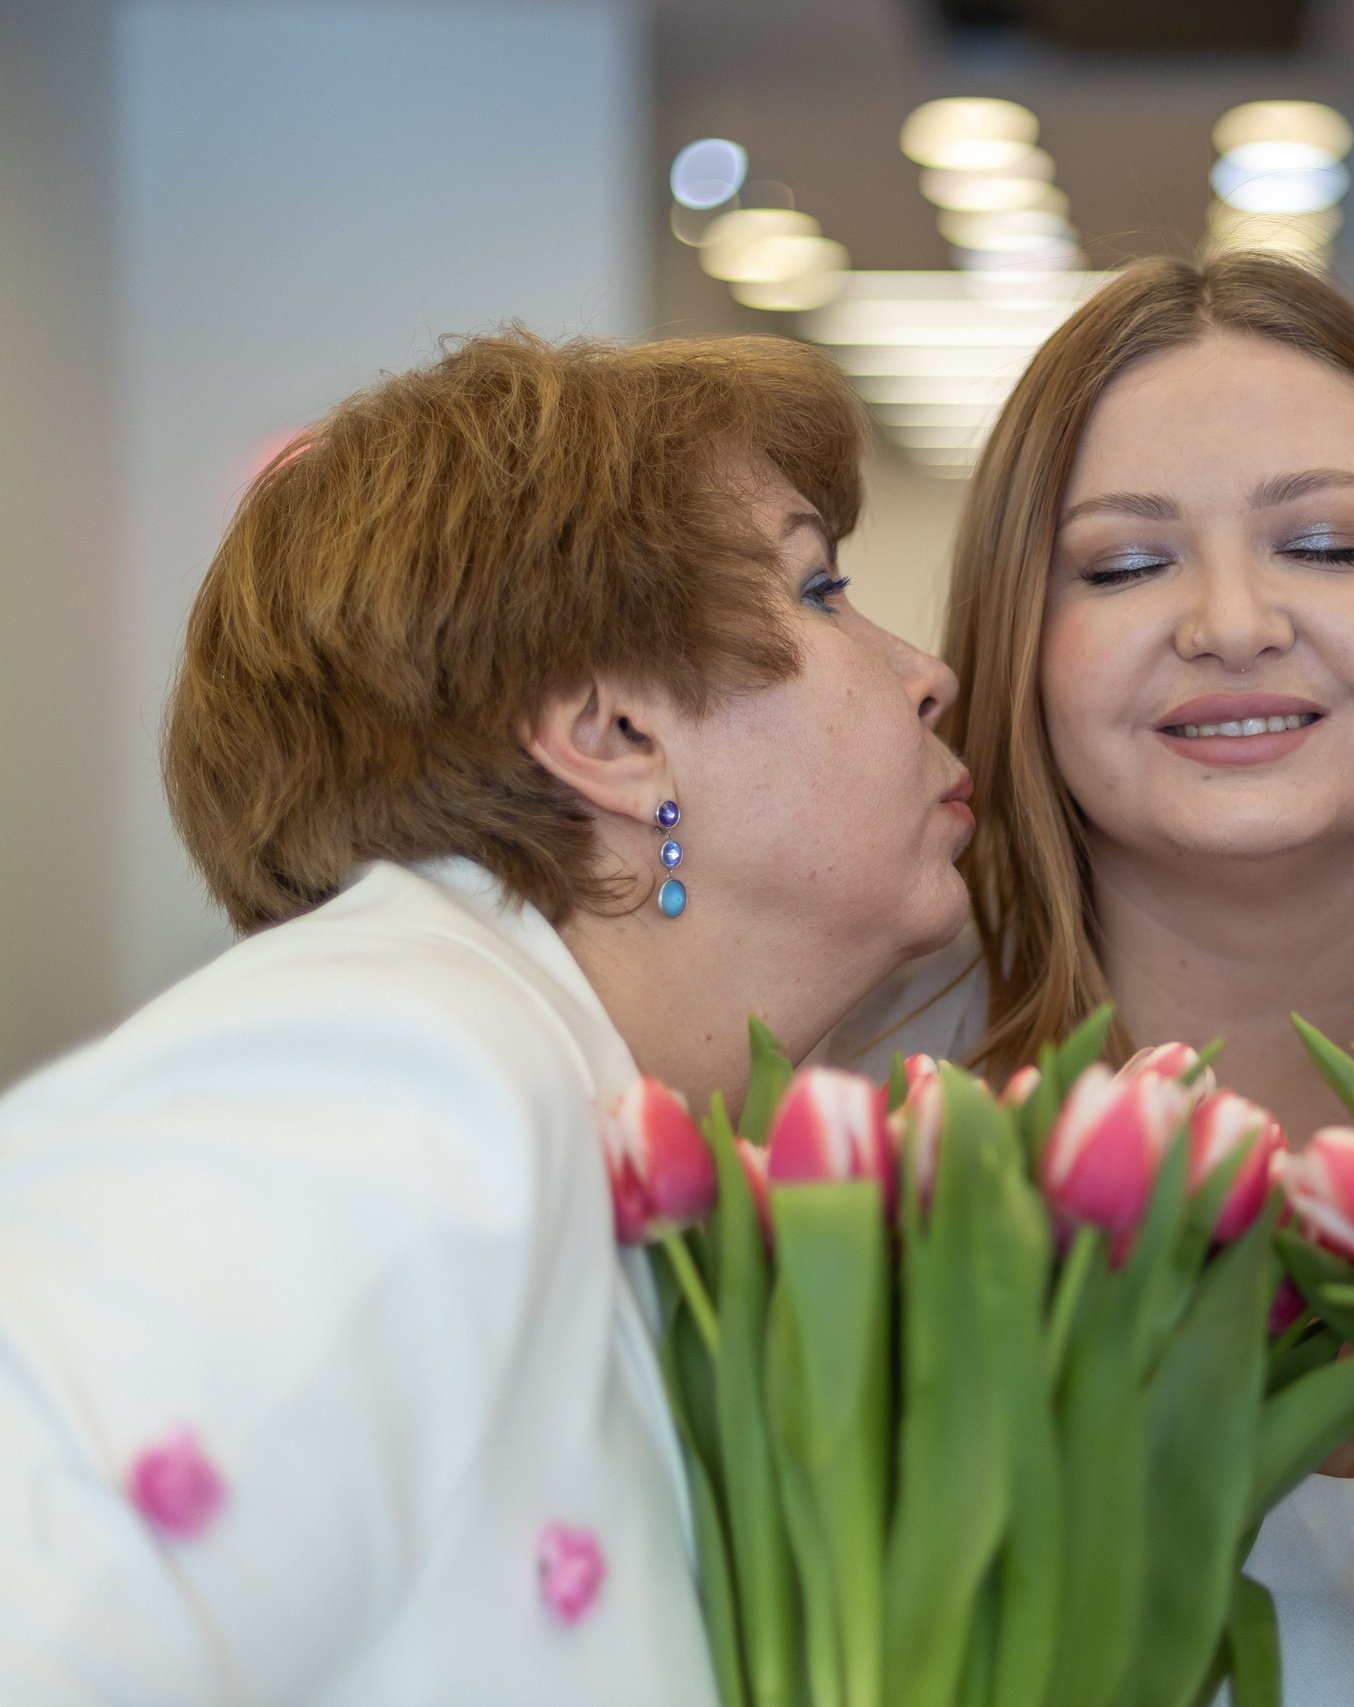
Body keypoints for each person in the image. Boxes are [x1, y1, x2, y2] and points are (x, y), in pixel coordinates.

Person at [0, 330, 975, 1703]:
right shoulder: (400, 1085)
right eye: (823, 589)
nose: (925, 669)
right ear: (615, 737)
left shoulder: (566, 1110)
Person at [818, 253, 1354, 1704]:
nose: (1230, 622)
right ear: (1020, 641)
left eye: (1326, 547)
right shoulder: (869, 1188)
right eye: (1126, 565)